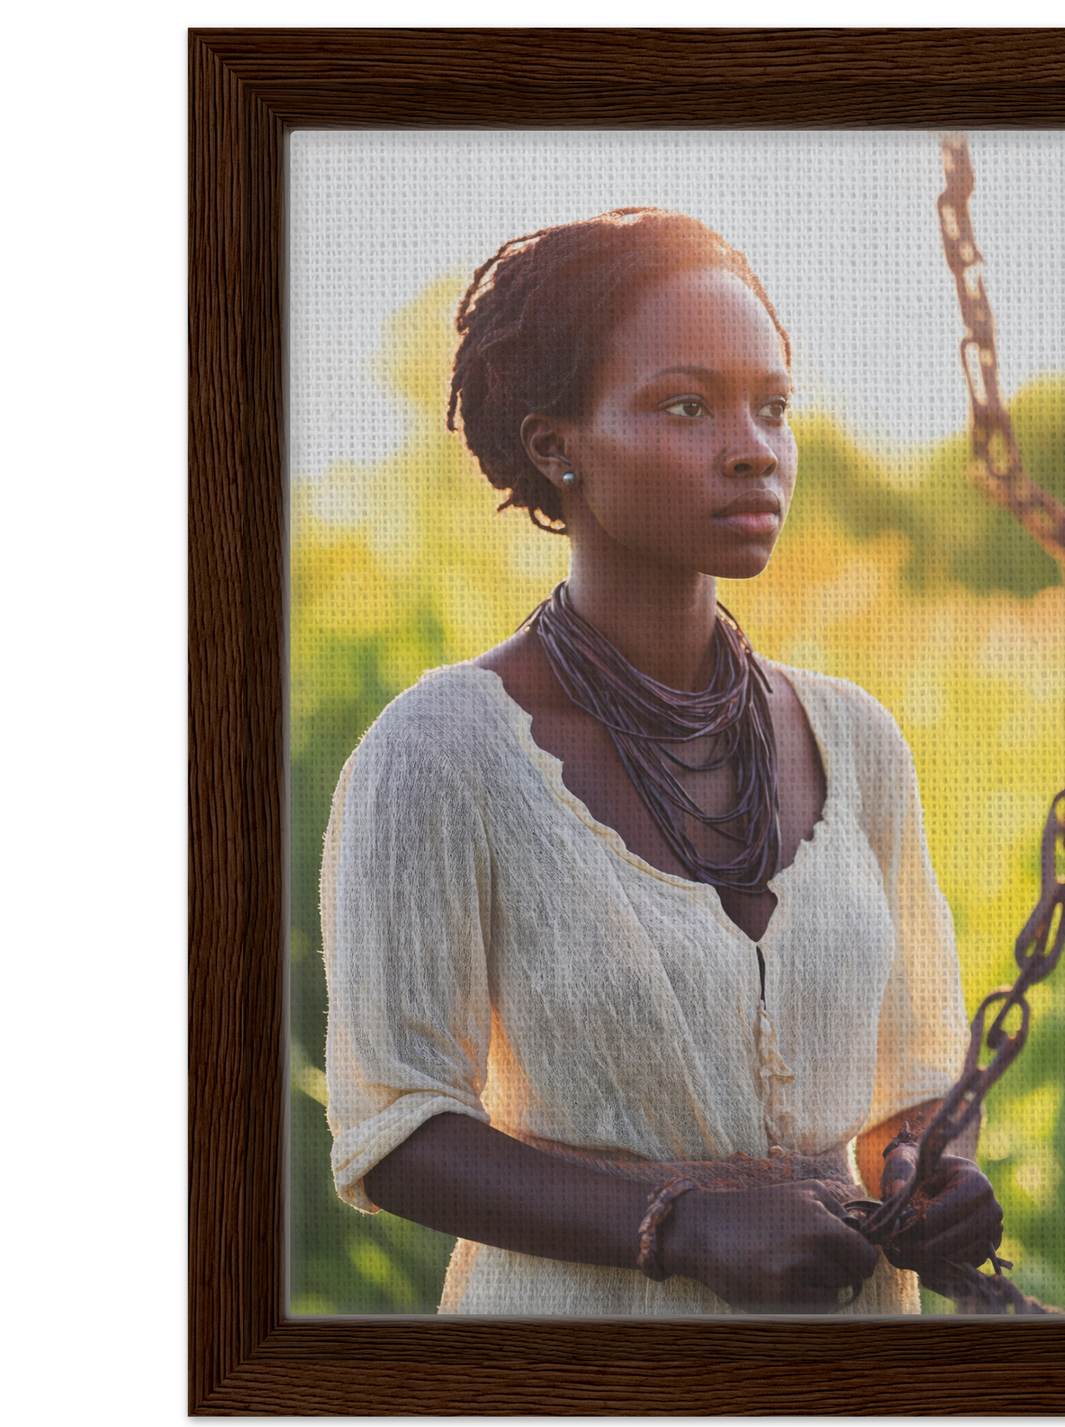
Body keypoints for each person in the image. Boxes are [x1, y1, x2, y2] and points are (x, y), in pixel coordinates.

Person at [321, 208, 1002, 1316]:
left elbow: (913, 1081)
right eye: (685, 405)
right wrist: (679, 1227)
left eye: (769, 407)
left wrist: (928, 1170)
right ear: (556, 444)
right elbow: (397, 1128)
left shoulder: (855, 739)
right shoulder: (440, 749)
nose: (753, 446)